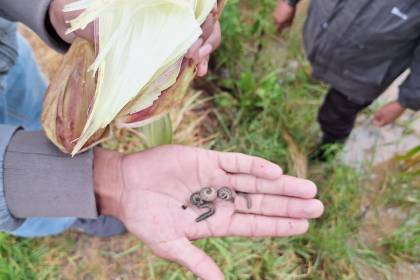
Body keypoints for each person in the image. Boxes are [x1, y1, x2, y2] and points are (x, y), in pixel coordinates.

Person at [0, 1, 324, 279]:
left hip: (7, 62)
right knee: (39, 203)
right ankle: (66, 214)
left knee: (37, 113)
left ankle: (74, 195)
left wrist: (60, 10)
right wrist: (102, 182)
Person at [274, 0, 420, 160]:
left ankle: (326, 154)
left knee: (335, 117)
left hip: (362, 76)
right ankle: (316, 72)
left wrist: (404, 101)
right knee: (307, 65)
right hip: (320, 36)